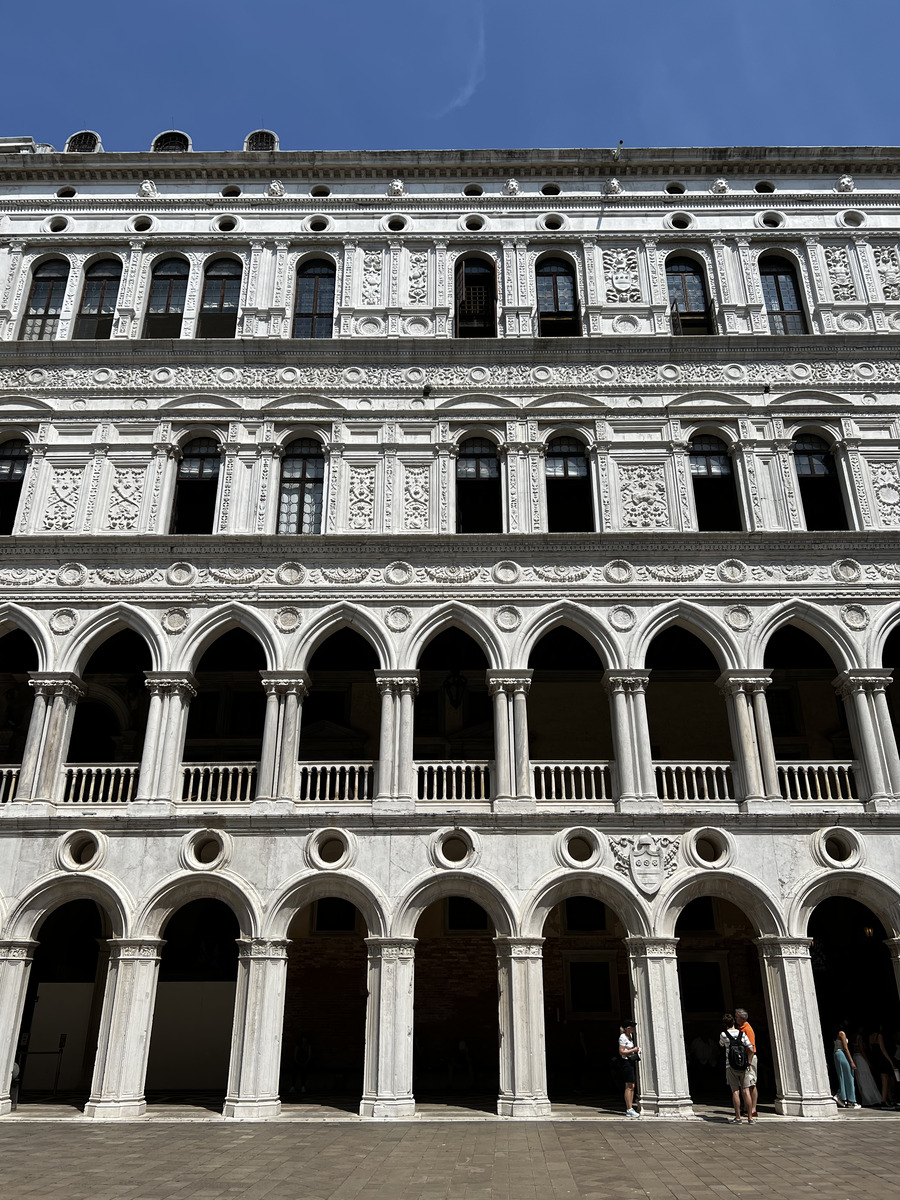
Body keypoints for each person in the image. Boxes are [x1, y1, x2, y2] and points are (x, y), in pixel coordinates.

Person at [719, 1013, 753, 1124]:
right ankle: (750, 1118)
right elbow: (751, 1049)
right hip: (743, 1066)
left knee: (735, 1092)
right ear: (734, 1022)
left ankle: (738, 1117)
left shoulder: (723, 1035)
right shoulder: (742, 1034)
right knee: (746, 1091)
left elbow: (721, 1045)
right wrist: (748, 1062)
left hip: (731, 1066)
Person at [735, 1008, 758, 1119]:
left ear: (742, 1018)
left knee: (751, 1083)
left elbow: (751, 1048)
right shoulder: (740, 1028)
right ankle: (747, 1107)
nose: (735, 1018)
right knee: (745, 1084)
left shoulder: (747, 1029)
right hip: (743, 1058)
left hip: (749, 1058)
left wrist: (749, 1062)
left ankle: (753, 1109)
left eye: (737, 1017)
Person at [867, 1025, 896, 1109]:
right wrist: (890, 1062)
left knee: (884, 1079)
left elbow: (871, 1048)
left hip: (875, 1058)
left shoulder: (870, 1036)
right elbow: (882, 1049)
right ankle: (883, 1100)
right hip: (882, 1059)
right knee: (885, 1080)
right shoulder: (879, 1036)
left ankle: (888, 1099)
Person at [851, 1029, 882, 1106]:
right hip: (860, 1058)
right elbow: (862, 1050)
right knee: (866, 1078)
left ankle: (866, 1098)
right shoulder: (859, 1037)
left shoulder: (853, 1036)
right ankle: (870, 1098)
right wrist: (868, 1062)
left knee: (861, 1079)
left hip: (855, 1057)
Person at [832, 1024, 860, 1109]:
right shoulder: (842, 1033)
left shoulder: (838, 1034)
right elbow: (845, 1048)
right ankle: (847, 1098)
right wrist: (851, 1062)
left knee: (844, 1076)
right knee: (848, 1076)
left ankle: (845, 1097)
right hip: (841, 1054)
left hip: (838, 1054)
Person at [618, 1020, 641, 1117]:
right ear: (628, 1028)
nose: (634, 1029)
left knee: (632, 1085)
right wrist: (633, 1050)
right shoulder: (623, 1037)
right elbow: (621, 1051)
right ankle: (629, 1108)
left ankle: (630, 1107)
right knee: (629, 1085)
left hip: (630, 1062)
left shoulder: (630, 1037)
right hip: (626, 1062)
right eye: (632, 1027)